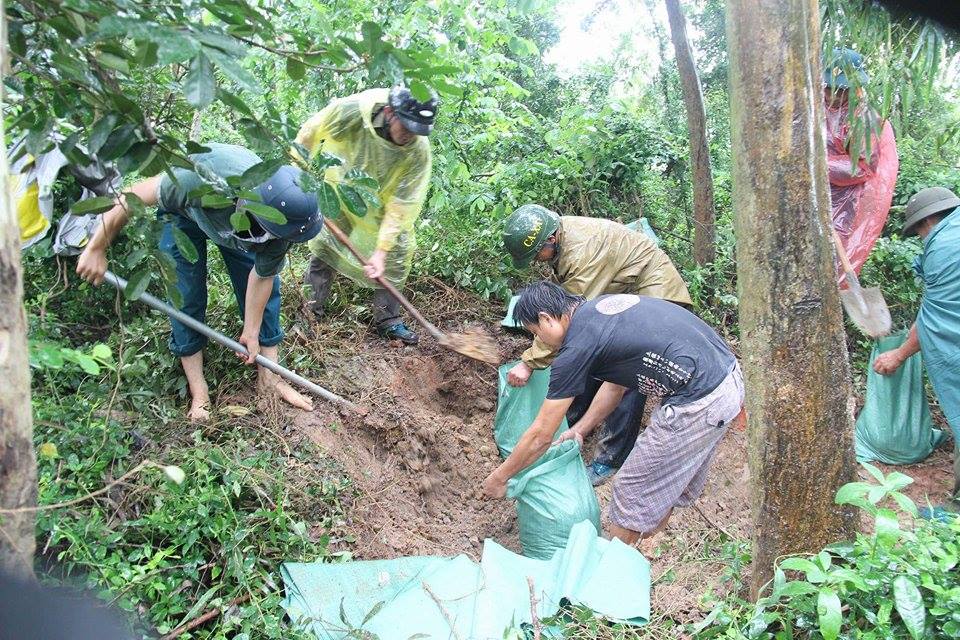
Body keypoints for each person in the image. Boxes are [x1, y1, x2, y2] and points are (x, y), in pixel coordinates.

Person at [482, 282, 743, 548]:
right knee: (659, 488)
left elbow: (541, 436)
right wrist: (580, 429)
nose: (539, 340)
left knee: (631, 490)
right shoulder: (598, 311)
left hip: (700, 400)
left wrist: (500, 477)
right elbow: (615, 387)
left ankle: (612, 566)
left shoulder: (576, 348)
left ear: (546, 318)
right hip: (726, 377)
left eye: (535, 332)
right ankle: (641, 551)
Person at [76, 143, 323, 421]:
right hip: (184, 214)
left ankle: (270, 377)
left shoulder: (286, 226)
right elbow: (131, 197)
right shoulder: (198, 180)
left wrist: (251, 331)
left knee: (266, 292)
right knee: (185, 295)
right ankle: (199, 391)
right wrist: (96, 248)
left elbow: (262, 277)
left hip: (243, 230)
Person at [501, 204, 692, 485]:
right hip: (626, 294)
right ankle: (572, 422)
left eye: (536, 255)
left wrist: (529, 362)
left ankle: (610, 458)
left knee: (629, 372)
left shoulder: (582, 253)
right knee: (594, 355)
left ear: (550, 239)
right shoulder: (561, 236)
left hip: (656, 296)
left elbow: (566, 321)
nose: (536, 262)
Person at [296, 86, 436, 345]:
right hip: (343, 190)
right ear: (389, 112)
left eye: (418, 130)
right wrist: (295, 173)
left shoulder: (418, 151)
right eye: (407, 127)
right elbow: (311, 134)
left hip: (383, 202)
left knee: (397, 253)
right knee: (326, 248)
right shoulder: (351, 113)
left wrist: (381, 252)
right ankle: (310, 313)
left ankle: (388, 321)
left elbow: (402, 203)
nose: (411, 135)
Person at [873, 187, 960, 513]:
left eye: (919, 233)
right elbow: (934, 313)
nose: (922, 239)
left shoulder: (944, 250)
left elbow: (938, 323)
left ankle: (956, 514)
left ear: (928, 222)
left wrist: (898, 355)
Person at [823, 47, 899, 275]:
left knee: (833, 257)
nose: (833, 95)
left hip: (847, 199)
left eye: (841, 90)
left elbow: (863, 167)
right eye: (828, 88)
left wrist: (819, 166)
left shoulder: (864, 119)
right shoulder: (813, 107)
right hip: (811, 190)